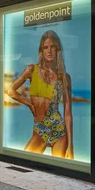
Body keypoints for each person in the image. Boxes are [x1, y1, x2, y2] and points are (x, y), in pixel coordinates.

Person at [7, 30, 73, 159]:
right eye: (45, 47)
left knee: (59, 169)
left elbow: (67, 112)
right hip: (40, 129)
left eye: (52, 47)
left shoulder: (64, 77)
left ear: (57, 49)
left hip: (59, 129)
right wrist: (29, 104)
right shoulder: (32, 70)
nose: (49, 51)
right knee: (24, 161)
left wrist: (70, 144)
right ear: (41, 51)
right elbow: (11, 91)